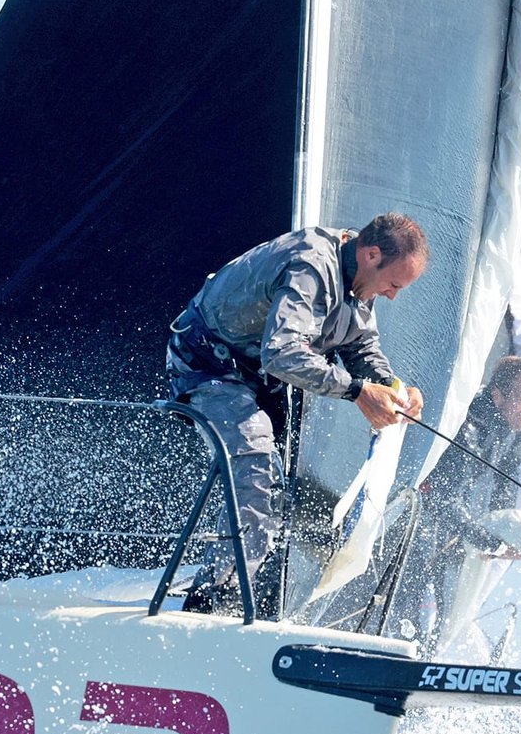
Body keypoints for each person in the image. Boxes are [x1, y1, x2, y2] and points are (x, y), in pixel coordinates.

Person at [167, 213, 429, 614]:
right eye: (394, 284)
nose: (392, 296)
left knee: (283, 491)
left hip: (259, 379)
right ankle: (210, 599)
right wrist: (358, 391)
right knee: (258, 473)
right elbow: (282, 353)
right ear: (372, 254)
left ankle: (235, 591)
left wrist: (394, 389)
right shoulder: (311, 265)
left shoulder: (361, 279)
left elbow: (360, 347)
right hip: (210, 366)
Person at [386, 355, 521, 645]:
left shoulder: (506, 431)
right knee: (411, 606)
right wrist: (490, 542)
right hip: (410, 525)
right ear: (498, 396)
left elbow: (503, 488)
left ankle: (423, 652)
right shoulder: (469, 425)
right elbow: (443, 498)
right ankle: (399, 648)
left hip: (443, 531)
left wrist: (503, 536)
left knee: (440, 615)